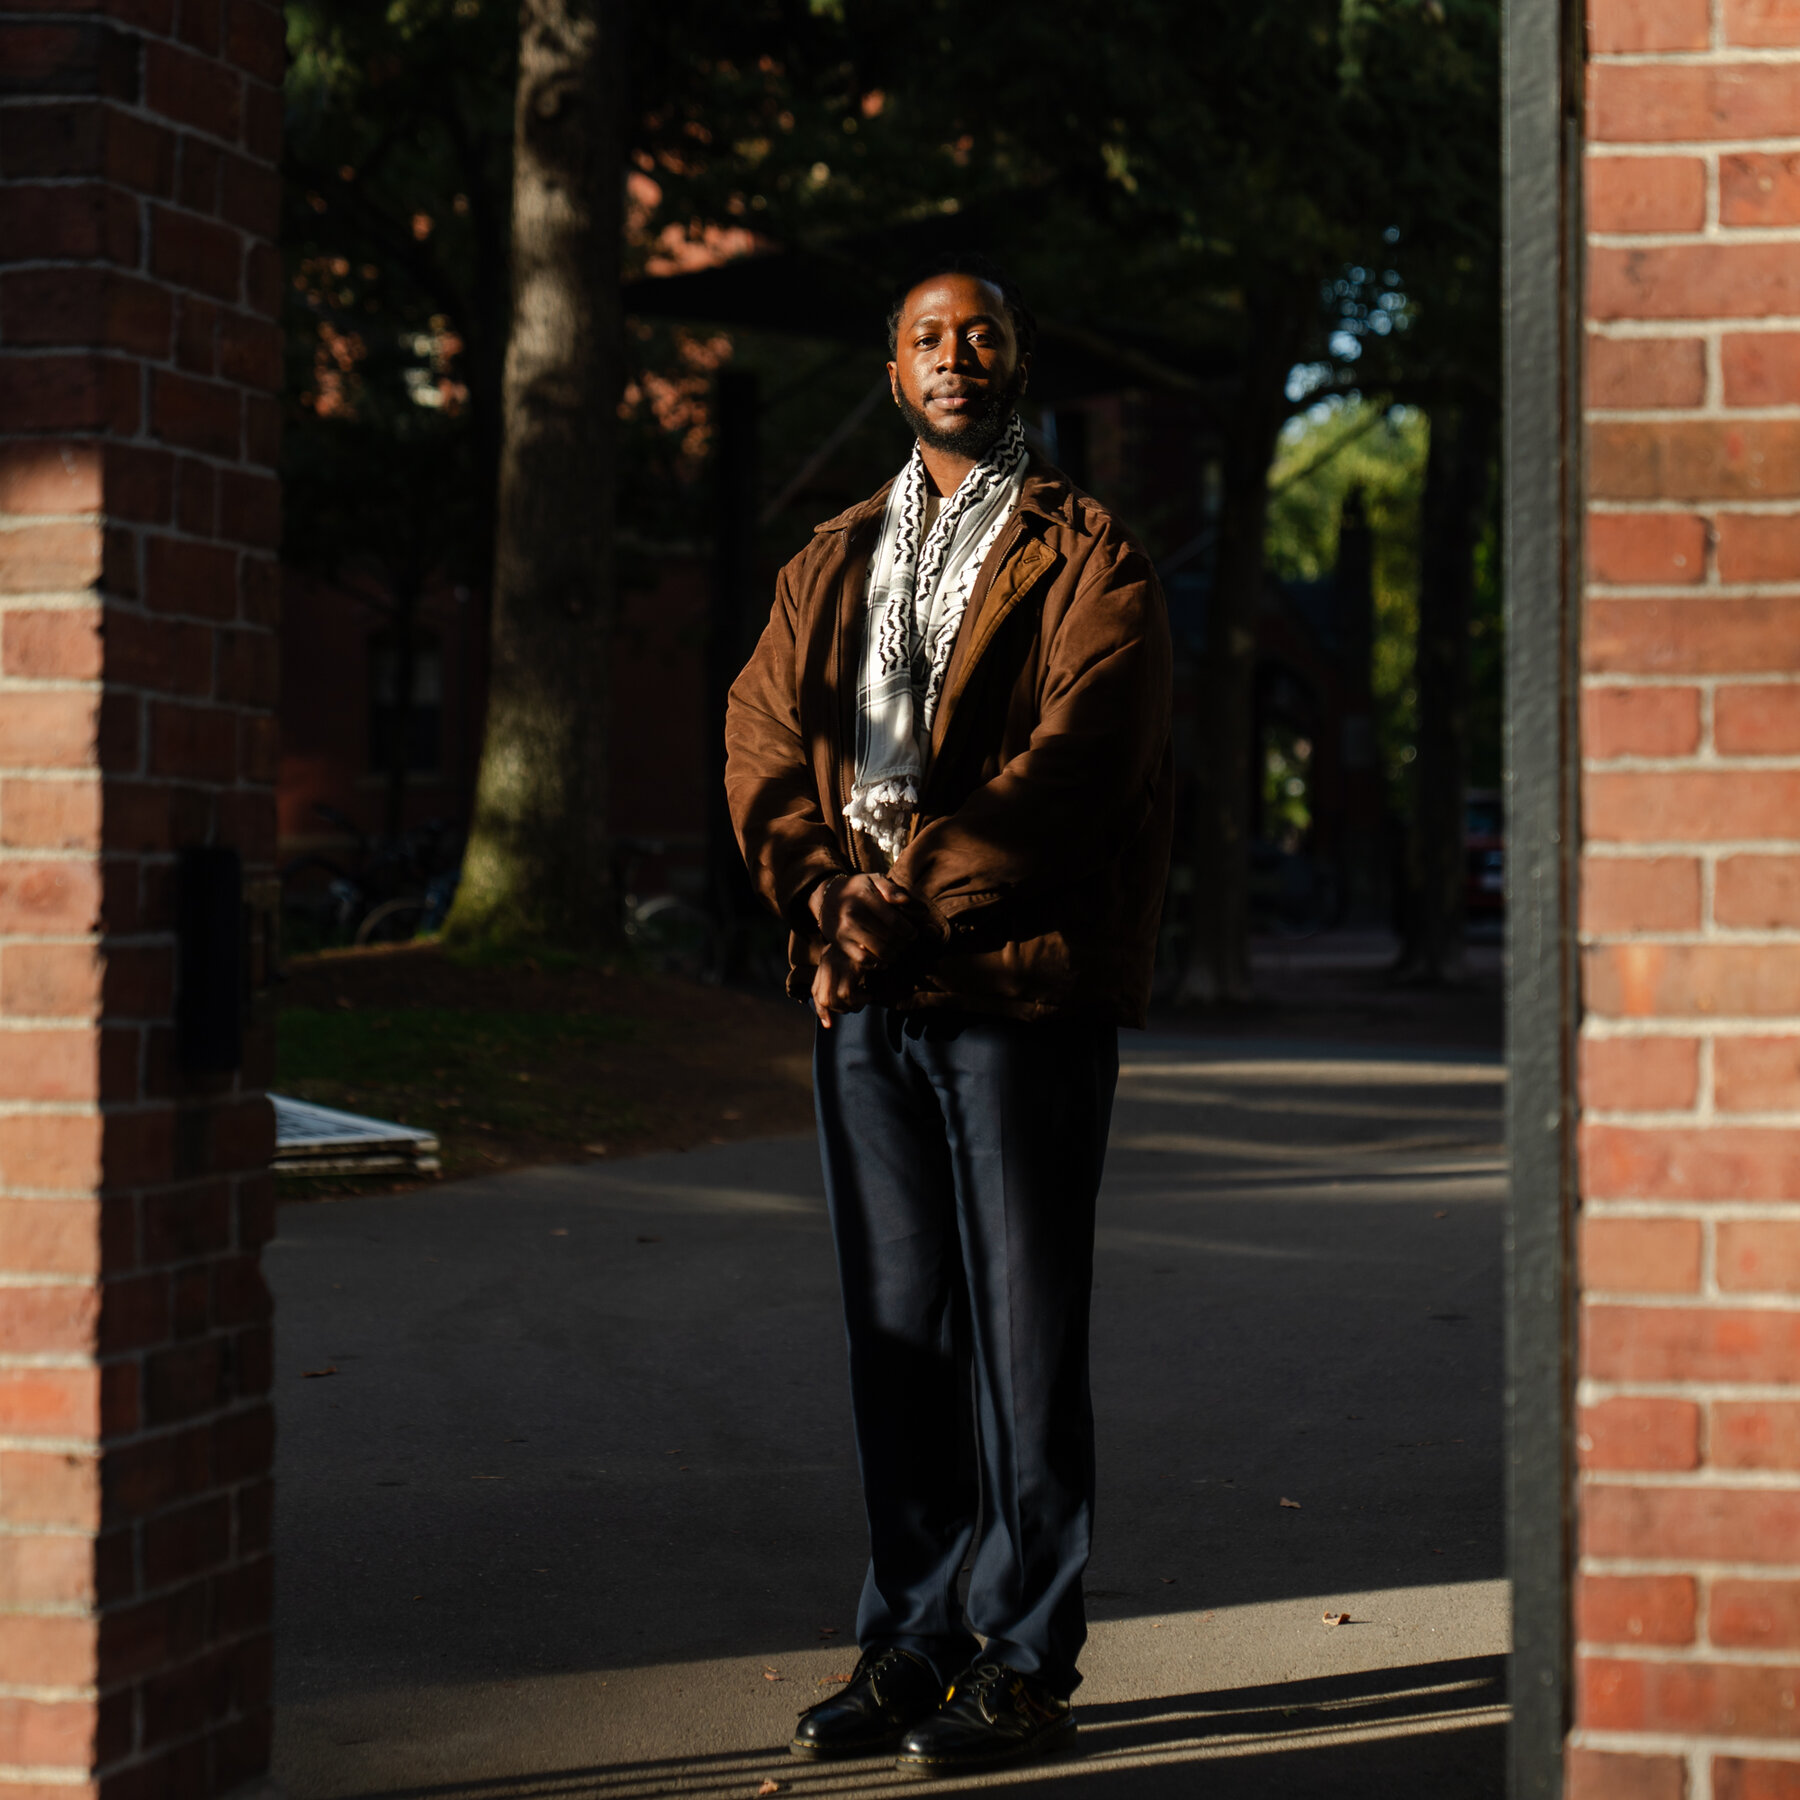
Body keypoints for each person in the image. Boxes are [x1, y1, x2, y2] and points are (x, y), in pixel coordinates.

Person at [723, 254, 1174, 1775]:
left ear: (1017, 362)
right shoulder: (835, 557)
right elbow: (761, 737)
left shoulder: (1088, 554)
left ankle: (1027, 1657)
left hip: (1016, 992)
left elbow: (1077, 768)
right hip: (862, 995)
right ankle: (913, 1639)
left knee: (1023, 1338)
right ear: (893, 369)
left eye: (980, 333)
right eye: (927, 336)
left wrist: (903, 901)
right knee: (897, 1334)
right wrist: (815, 892)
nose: (954, 354)